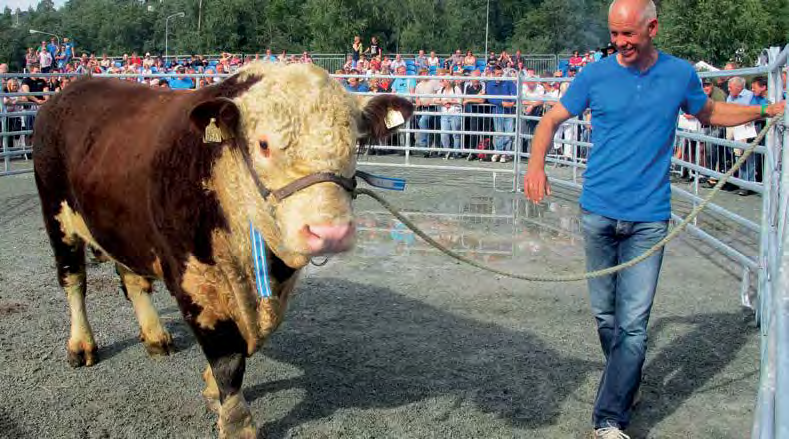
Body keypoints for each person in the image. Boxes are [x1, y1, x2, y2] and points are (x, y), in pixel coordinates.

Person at [523, 1, 785, 438]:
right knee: (606, 316)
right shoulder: (596, 75)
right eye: (614, 34)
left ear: (652, 28)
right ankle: (626, 381)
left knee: (633, 324)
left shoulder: (679, 74)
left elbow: (709, 113)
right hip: (598, 212)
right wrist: (536, 165)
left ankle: (609, 419)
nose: (620, 43)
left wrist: (763, 113)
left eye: (628, 34)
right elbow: (551, 119)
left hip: (648, 218)